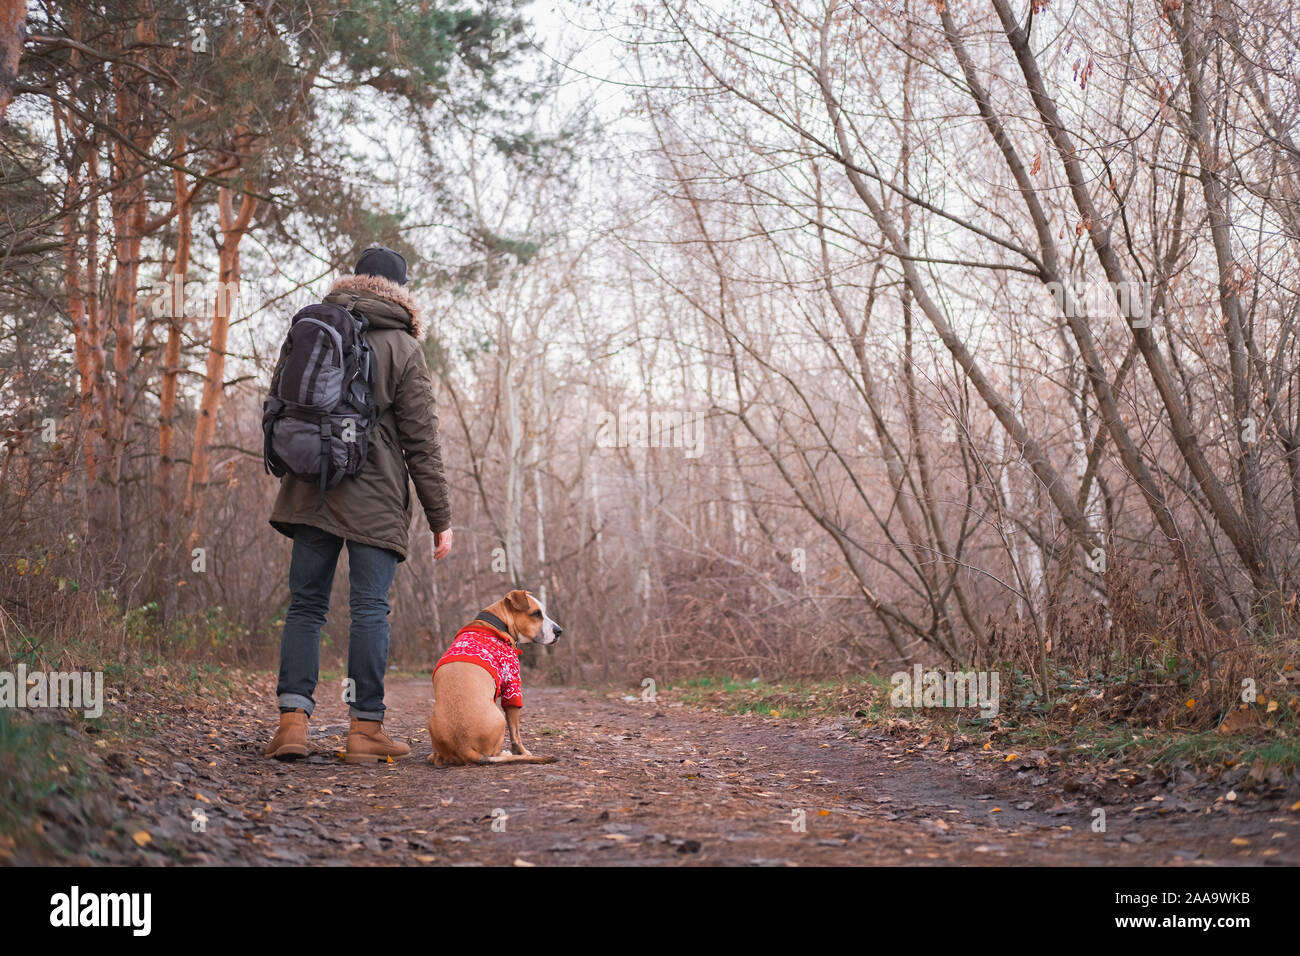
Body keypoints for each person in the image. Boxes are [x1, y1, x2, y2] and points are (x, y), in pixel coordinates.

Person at [264, 246, 454, 762]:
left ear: (355, 281)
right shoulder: (404, 347)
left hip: (310, 485)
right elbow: (422, 441)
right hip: (374, 496)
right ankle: (364, 730)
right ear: (401, 290)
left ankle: (292, 725)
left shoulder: (314, 327)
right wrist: (441, 518)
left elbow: (282, 405)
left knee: (306, 606)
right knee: (369, 609)